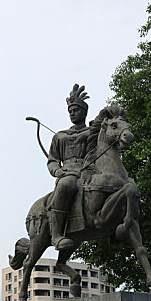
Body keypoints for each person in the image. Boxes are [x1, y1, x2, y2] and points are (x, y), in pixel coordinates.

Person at [47, 84, 90, 250]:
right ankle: (57, 234)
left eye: (76, 110)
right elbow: (53, 160)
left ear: (84, 112)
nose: (72, 113)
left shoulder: (92, 132)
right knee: (67, 184)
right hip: (68, 174)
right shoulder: (60, 136)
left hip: (89, 171)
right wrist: (57, 170)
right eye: (70, 111)